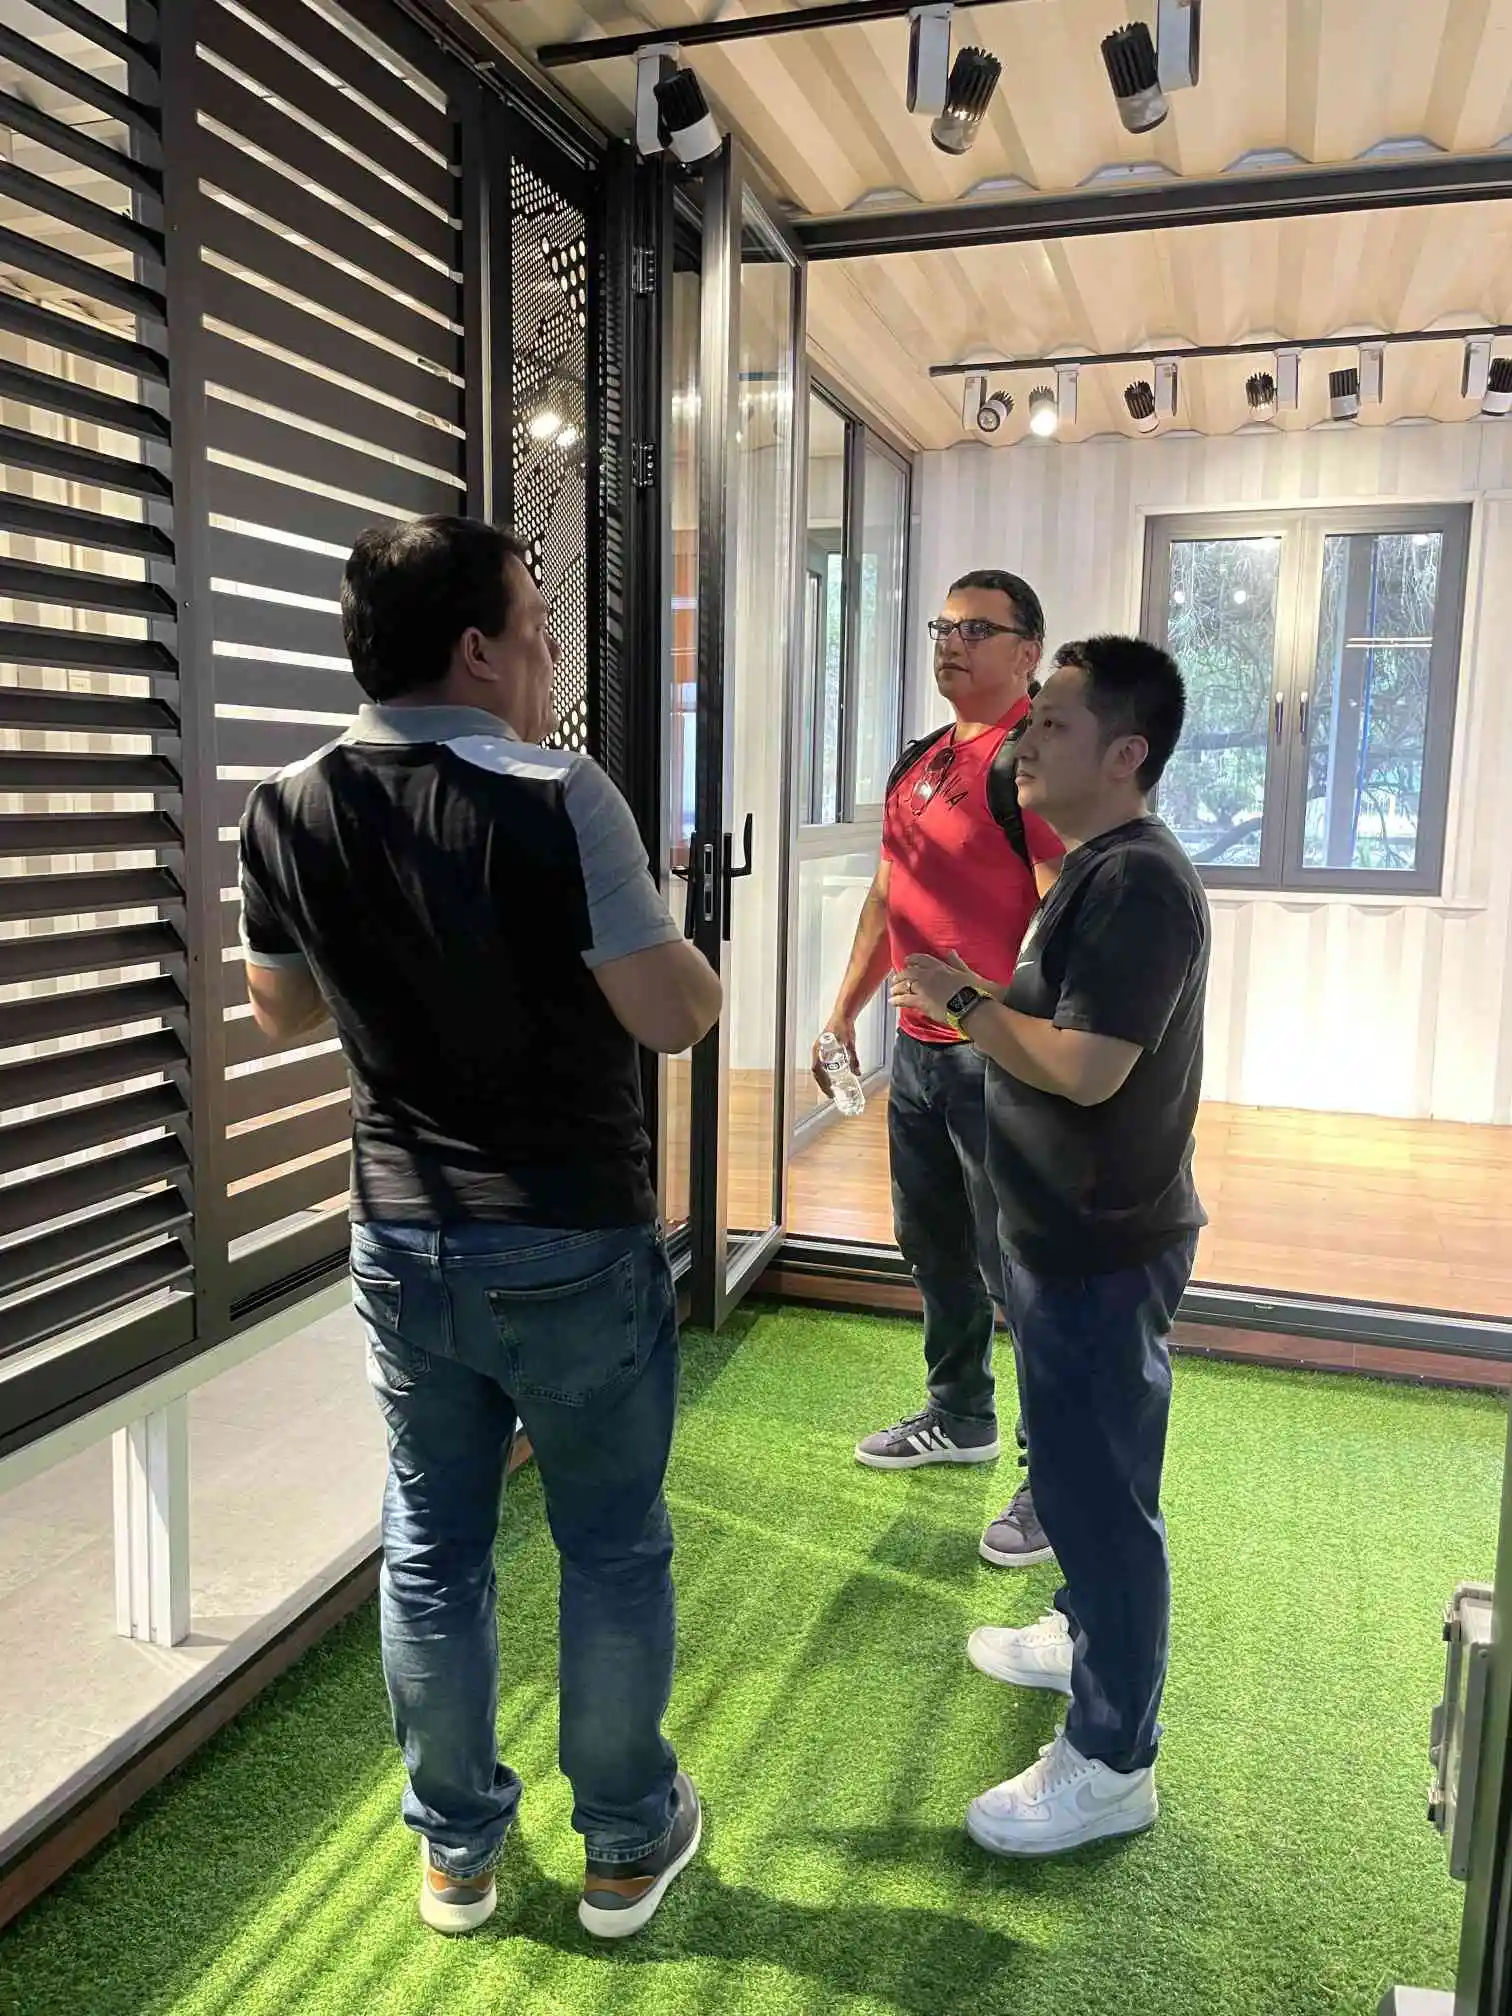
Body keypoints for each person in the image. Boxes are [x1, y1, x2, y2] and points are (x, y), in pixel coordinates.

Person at [237, 517, 722, 1940]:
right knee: (612, 1546)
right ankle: (627, 1844)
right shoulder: (563, 795)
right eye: (536, 629)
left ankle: (456, 1856)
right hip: (571, 1237)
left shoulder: (284, 802)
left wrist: (407, 958)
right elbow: (673, 1015)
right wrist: (665, 929)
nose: (548, 654)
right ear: (476, 649)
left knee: (433, 1548)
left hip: (399, 1239)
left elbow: (281, 1009)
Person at [894, 635, 1208, 1859]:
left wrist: (966, 1004)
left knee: (1103, 1497)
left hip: (1101, 1241)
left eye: (1057, 725)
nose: (1026, 743)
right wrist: (975, 991)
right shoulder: (1094, 867)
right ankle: (1081, 1631)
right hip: (1058, 1232)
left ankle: (1112, 1759)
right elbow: (1054, 1023)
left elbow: (1086, 1069)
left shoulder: (1138, 881)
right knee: (1081, 1480)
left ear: (1128, 753)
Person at [813, 569, 1063, 1569]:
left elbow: (1063, 913)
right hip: (915, 1061)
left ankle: (1058, 1477)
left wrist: (1019, 1028)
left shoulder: (1038, 764)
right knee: (934, 1247)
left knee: (1025, 1274)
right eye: (943, 626)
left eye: (977, 629)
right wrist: (840, 1015)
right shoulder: (920, 760)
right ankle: (961, 1413)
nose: (951, 642)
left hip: (996, 1064)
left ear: (1027, 652)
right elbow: (889, 899)